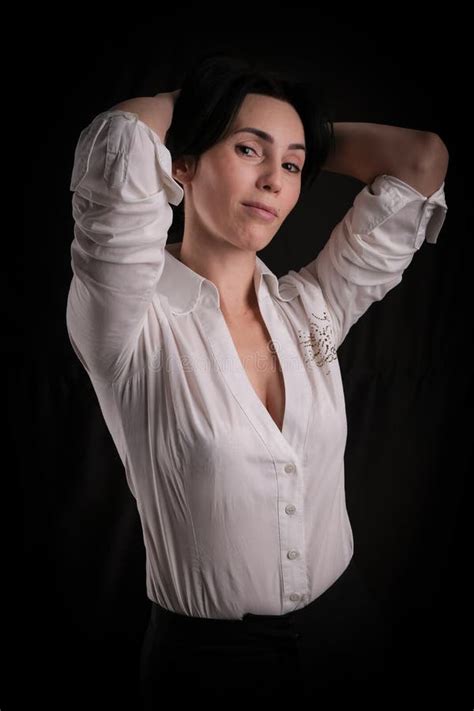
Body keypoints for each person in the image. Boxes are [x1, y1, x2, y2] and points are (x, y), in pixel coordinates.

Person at [66, 51, 448, 704]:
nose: (275, 180)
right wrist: (209, 111)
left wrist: (284, 138)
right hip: (208, 667)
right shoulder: (128, 324)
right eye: (249, 151)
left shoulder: (312, 307)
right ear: (180, 165)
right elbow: (122, 139)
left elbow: (420, 159)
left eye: (294, 165)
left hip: (349, 632)